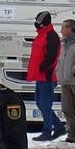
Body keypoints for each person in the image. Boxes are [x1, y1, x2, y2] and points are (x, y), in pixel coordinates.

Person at [25, 11, 63, 142]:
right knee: (40, 103)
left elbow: (51, 56)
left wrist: (43, 67)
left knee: (45, 104)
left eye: (37, 21)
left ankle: (47, 131)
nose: (36, 24)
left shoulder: (51, 36)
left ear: (42, 22)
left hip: (46, 76)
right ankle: (58, 126)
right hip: (40, 76)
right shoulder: (42, 35)